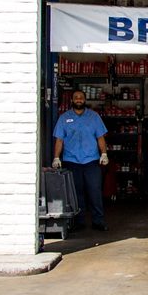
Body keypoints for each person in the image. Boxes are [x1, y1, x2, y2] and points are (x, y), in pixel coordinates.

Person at [52, 90, 109, 231]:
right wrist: (56, 157)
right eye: (76, 97)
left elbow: (100, 137)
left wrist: (104, 154)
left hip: (91, 161)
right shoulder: (64, 118)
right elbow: (59, 140)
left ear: (85, 100)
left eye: (81, 98)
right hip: (72, 161)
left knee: (95, 192)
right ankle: (79, 222)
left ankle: (98, 221)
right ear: (72, 100)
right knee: (76, 193)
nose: (79, 99)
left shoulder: (94, 117)